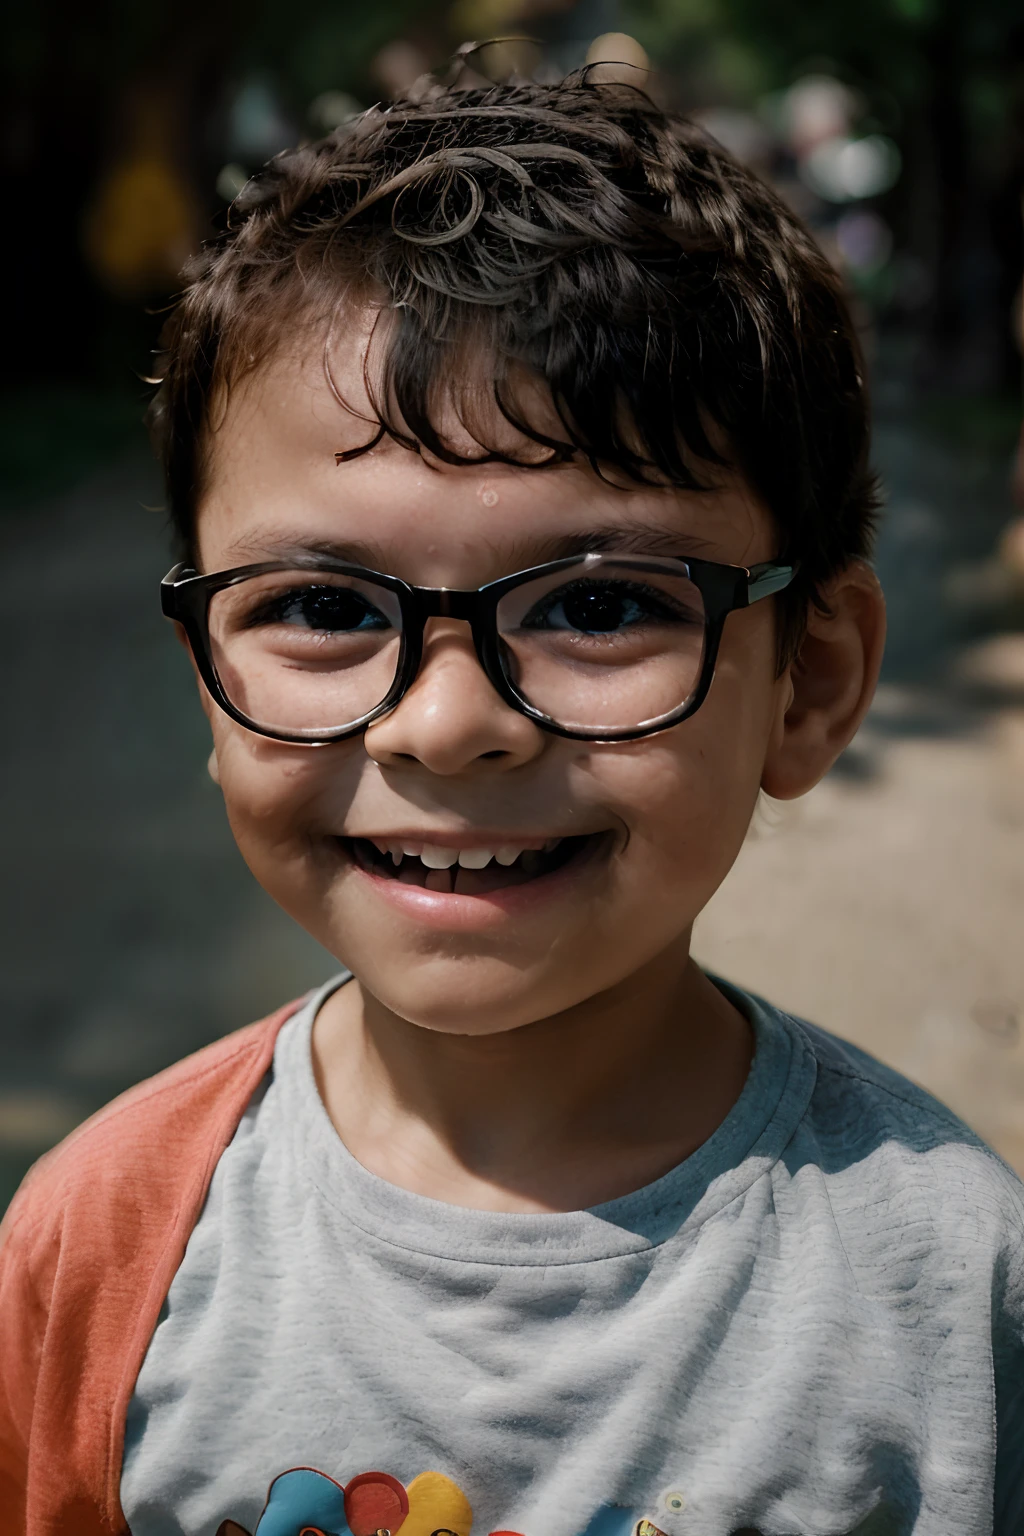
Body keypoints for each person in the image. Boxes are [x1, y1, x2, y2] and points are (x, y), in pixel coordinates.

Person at [1, 68, 1022, 1536]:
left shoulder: (952, 1286)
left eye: (602, 605)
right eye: (323, 606)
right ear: (207, 682)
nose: (450, 722)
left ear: (810, 682)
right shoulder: (101, 1243)